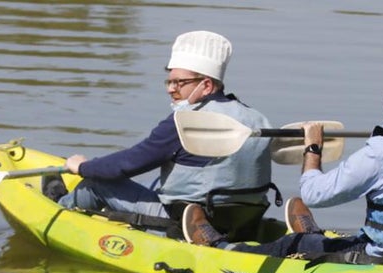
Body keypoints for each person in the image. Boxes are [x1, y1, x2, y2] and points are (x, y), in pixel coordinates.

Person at [182, 53, 383, 264]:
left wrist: (313, 149)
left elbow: (314, 194)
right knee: (335, 238)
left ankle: (221, 249)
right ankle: (314, 234)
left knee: (290, 244)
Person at [47, 30, 274, 239]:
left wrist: (83, 167)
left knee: (96, 183)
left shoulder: (184, 122)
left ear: (205, 85)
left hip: (187, 222)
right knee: (154, 182)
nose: (170, 88)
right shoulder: (257, 118)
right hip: (243, 221)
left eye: (179, 82)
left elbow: (128, 163)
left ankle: (56, 208)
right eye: (169, 81)